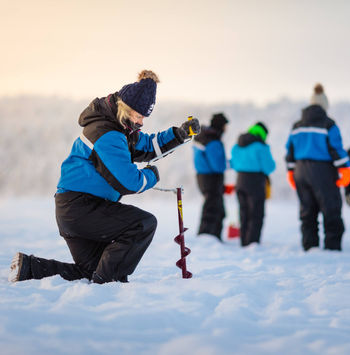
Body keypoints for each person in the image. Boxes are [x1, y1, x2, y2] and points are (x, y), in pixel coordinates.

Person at [8, 70, 200, 284]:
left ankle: (29, 269)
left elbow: (146, 146)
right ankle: (106, 287)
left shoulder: (119, 129)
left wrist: (179, 135)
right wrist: (151, 175)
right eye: (138, 116)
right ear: (125, 110)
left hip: (74, 209)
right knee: (142, 225)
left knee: (92, 271)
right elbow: (129, 182)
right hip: (81, 208)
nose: (142, 122)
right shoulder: (107, 134)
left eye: (144, 117)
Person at [285, 83, 350, 251]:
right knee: (331, 209)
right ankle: (332, 247)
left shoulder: (296, 126)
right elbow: (336, 148)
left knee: (307, 211)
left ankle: (310, 247)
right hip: (322, 171)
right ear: (325, 105)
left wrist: (290, 171)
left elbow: (289, 150)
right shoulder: (328, 124)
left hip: (300, 170)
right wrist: (346, 168)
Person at [230, 122, 276, 247]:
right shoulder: (261, 146)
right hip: (255, 181)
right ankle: (253, 242)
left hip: (240, 181)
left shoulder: (237, 145)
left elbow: (233, 164)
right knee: (256, 213)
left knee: (243, 212)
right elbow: (269, 167)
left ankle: (244, 241)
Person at [193, 113, 229, 241]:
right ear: (221, 125)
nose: (226, 129)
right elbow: (217, 165)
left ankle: (210, 236)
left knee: (214, 207)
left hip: (202, 176)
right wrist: (229, 164)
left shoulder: (203, 137)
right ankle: (208, 237)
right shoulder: (213, 140)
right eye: (225, 126)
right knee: (214, 209)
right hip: (211, 178)